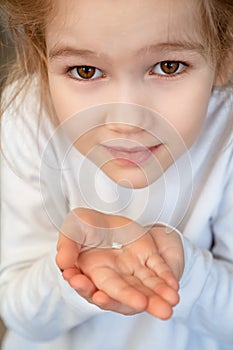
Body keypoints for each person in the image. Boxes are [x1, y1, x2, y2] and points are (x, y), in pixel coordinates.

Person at [0, 0, 232, 349]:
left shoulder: (226, 136)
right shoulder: (27, 120)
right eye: (86, 71)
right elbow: (19, 314)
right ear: (40, 52)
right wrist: (74, 272)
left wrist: (185, 272)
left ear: (225, 52)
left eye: (168, 66)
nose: (126, 120)